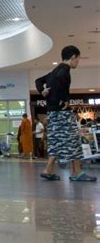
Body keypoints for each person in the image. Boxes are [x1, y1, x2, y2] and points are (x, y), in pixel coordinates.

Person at [35, 45, 97, 182]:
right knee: (73, 140)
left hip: (52, 113)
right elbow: (59, 85)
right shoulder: (63, 71)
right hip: (61, 114)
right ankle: (77, 172)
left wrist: (42, 91)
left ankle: (49, 169)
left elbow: (38, 81)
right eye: (78, 59)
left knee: (57, 142)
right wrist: (64, 100)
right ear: (73, 57)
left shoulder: (55, 70)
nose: (78, 62)